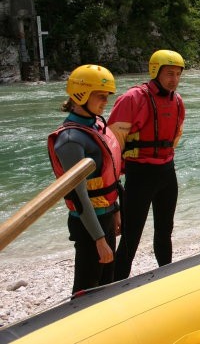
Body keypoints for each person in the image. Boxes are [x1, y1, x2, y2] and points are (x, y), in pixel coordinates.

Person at [108, 49, 186, 279]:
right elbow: (112, 142)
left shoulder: (178, 101)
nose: (174, 79)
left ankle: (166, 275)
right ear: (155, 72)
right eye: (169, 73)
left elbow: (175, 137)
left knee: (165, 231)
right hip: (139, 174)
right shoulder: (133, 98)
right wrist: (114, 179)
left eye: (178, 74)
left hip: (166, 172)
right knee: (131, 235)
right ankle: (117, 284)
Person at [47, 64, 122, 294]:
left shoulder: (96, 126)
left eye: (107, 96)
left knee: (107, 282)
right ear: (81, 95)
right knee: (86, 287)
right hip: (89, 225)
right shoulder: (70, 140)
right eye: (100, 96)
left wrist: (116, 210)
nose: (105, 101)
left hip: (106, 216)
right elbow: (79, 197)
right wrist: (99, 239)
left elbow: (108, 177)